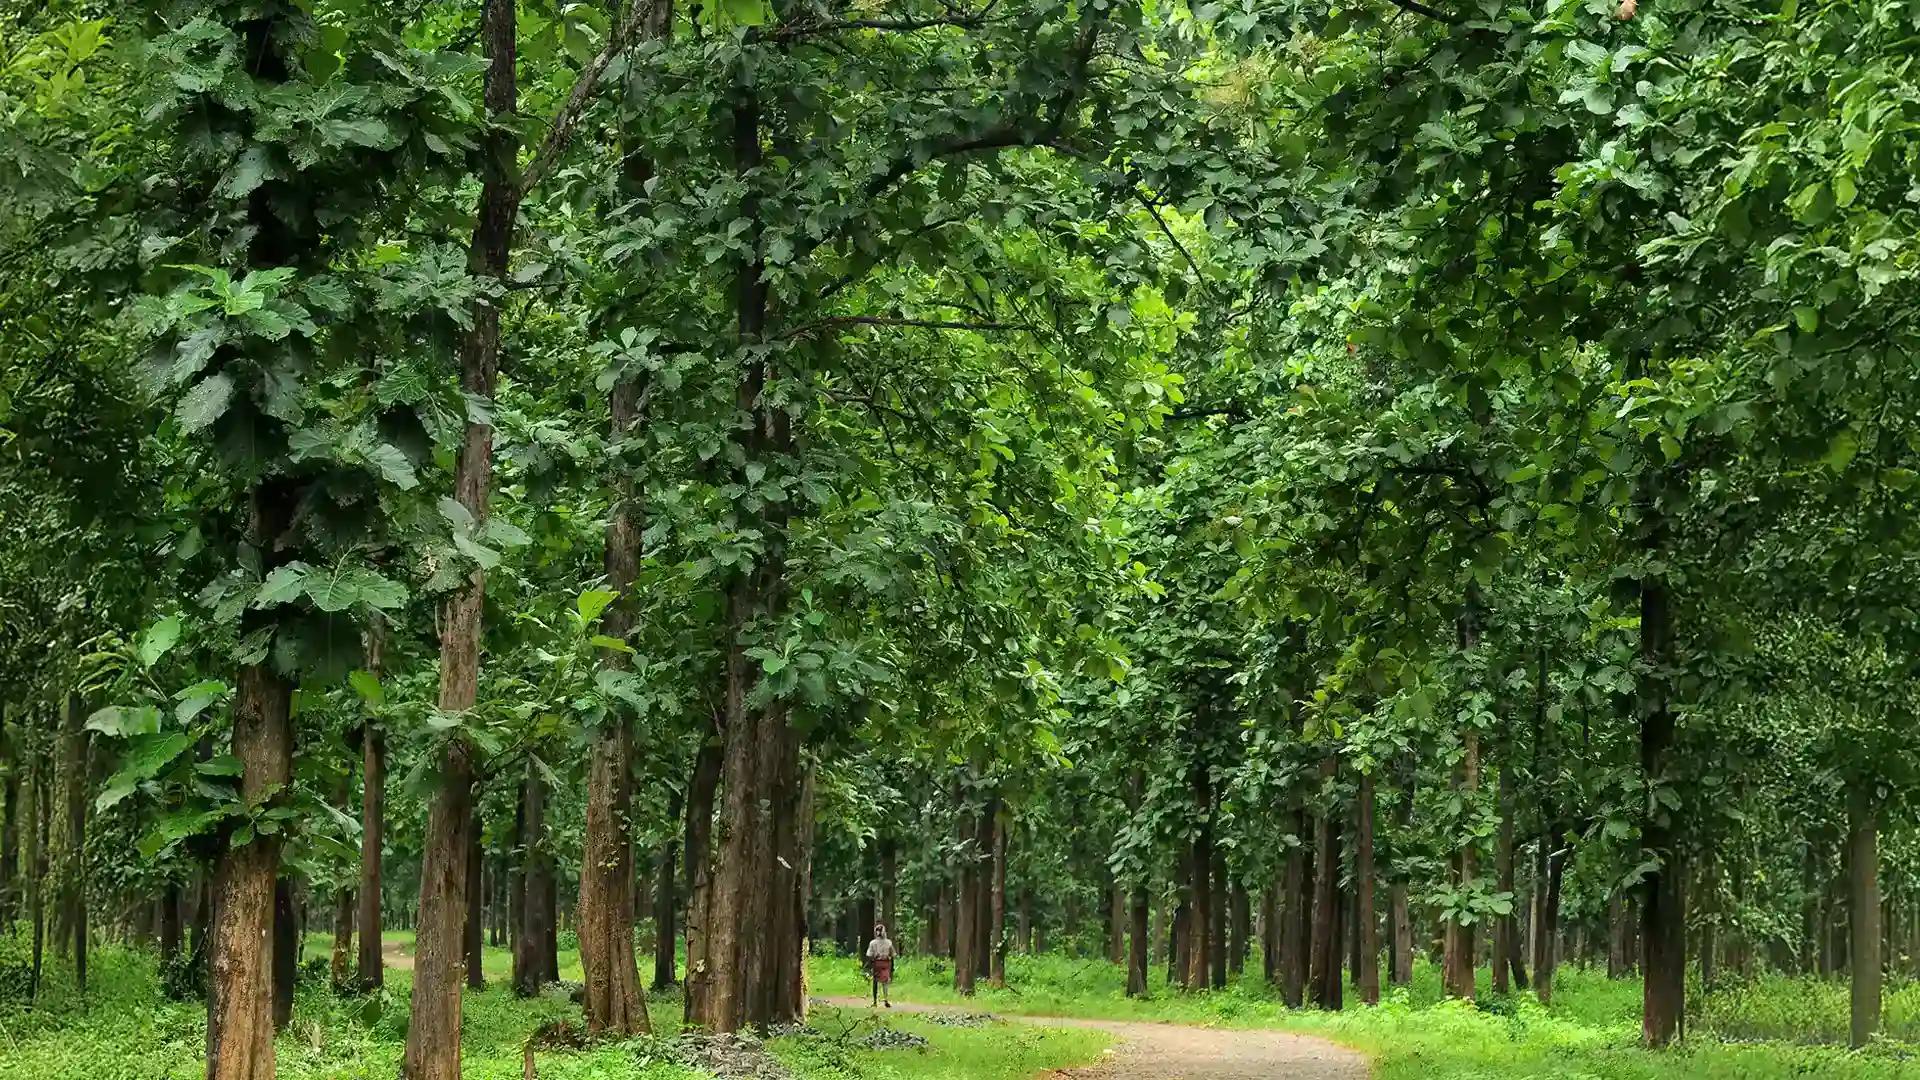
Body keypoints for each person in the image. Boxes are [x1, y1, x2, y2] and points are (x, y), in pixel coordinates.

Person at [865, 922, 895, 1007]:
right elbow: (892, 955)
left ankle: (875, 1001)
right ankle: (886, 1000)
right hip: (886, 964)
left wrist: (870, 965)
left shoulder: (872, 943)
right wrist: (892, 967)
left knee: (875, 982)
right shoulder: (889, 943)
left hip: (876, 964)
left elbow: (869, 955)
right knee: (885, 982)